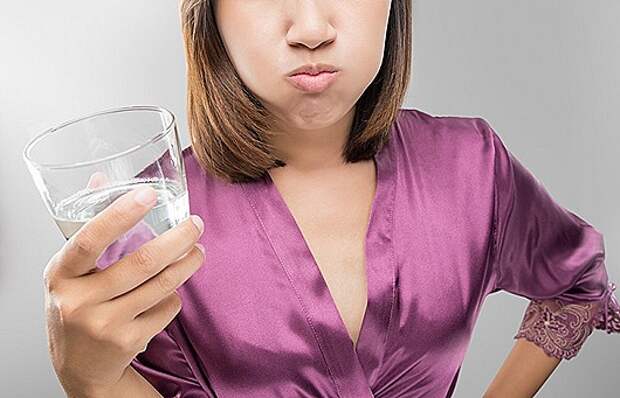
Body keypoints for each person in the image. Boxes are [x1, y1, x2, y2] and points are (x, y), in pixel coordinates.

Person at [43, 1, 619, 397]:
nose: (312, 27)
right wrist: (92, 382)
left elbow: (577, 283)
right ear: (208, 14)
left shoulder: (471, 163)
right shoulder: (152, 224)